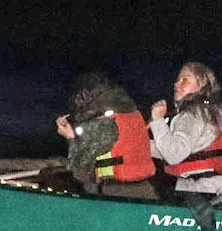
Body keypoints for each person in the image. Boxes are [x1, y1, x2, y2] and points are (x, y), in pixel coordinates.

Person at [54, 72, 157, 200]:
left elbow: (79, 170)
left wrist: (70, 138)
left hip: (115, 194)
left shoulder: (102, 124)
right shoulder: (133, 115)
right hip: (145, 190)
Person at [149, 61, 222, 194]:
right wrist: (138, 144)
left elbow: (173, 154)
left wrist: (157, 120)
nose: (176, 84)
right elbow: (171, 148)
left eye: (185, 80)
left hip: (201, 191)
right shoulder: (211, 112)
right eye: (177, 80)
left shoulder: (193, 114)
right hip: (218, 187)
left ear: (202, 85)